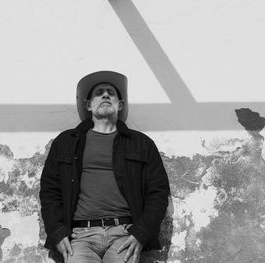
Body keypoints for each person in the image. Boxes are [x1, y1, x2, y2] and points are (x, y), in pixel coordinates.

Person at [40, 71, 170, 263]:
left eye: (111, 92)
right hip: (80, 236)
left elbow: (158, 192)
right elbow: (50, 191)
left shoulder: (141, 143)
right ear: (88, 105)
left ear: (121, 104)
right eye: (99, 92)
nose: (106, 95)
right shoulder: (66, 142)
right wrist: (57, 232)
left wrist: (141, 233)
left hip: (124, 235)